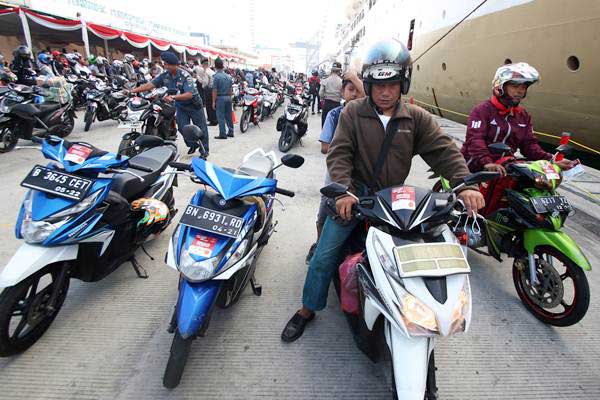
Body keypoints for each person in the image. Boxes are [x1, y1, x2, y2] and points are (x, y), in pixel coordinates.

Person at [281, 39, 485, 343]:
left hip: (395, 199)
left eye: (392, 84)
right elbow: (339, 155)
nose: (385, 91)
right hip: (355, 194)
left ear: (403, 83)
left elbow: (444, 152)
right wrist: (342, 192)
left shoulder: (416, 118)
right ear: (368, 84)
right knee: (325, 254)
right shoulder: (352, 113)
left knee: (417, 255)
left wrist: (465, 184)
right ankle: (307, 309)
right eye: (378, 85)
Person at [461, 62, 571, 174]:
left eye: (523, 87)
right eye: (515, 86)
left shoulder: (523, 116)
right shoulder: (482, 110)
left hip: (503, 169)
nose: (520, 91)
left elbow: (529, 145)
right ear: (500, 86)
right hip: (473, 168)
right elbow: (475, 139)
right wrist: (487, 162)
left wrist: (551, 160)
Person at [305, 71, 365, 264]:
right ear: (342, 91)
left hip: (363, 178)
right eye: (350, 89)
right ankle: (317, 244)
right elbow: (325, 147)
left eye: (358, 90)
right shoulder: (335, 114)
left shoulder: (368, 117)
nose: (354, 94)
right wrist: (346, 151)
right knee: (325, 212)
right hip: (336, 177)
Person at [130, 51, 209, 156]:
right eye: (165, 64)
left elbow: (189, 94)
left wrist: (173, 97)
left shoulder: (185, 76)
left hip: (194, 105)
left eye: (167, 64)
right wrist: (133, 91)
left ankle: (204, 151)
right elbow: (150, 85)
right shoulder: (165, 75)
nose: (165, 66)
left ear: (175, 65)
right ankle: (193, 144)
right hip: (181, 106)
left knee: (200, 128)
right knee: (182, 127)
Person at [212, 58, 234, 139]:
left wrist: (213, 102)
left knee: (220, 117)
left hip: (220, 98)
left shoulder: (216, 77)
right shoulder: (228, 76)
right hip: (228, 97)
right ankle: (231, 131)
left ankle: (223, 134)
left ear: (215, 66)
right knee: (229, 116)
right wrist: (230, 97)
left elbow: (214, 90)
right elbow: (230, 89)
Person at [319, 61, 343, 127]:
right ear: (339, 71)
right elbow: (343, 94)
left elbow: (320, 93)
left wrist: (323, 99)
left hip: (327, 104)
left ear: (332, 70)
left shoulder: (325, 80)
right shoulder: (341, 82)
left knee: (325, 124)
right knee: (335, 125)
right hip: (336, 105)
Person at [196, 58, 217, 126]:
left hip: (208, 89)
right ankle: (215, 119)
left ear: (203, 65)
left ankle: (212, 120)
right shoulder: (212, 71)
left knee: (209, 106)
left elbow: (205, 82)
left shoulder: (206, 72)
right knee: (213, 105)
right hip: (213, 89)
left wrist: (199, 78)